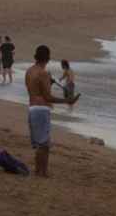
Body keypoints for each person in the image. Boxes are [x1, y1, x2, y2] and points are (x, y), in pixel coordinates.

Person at [25, 45, 79, 177]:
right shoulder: (43, 73)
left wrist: (49, 83)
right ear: (47, 58)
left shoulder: (29, 71)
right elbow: (48, 97)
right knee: (44, 145)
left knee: (40, 144)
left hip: (32, 108)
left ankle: (39, 171)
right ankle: (42, 172)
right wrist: (67, 101)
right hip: (42, 110)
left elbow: (34, 90)